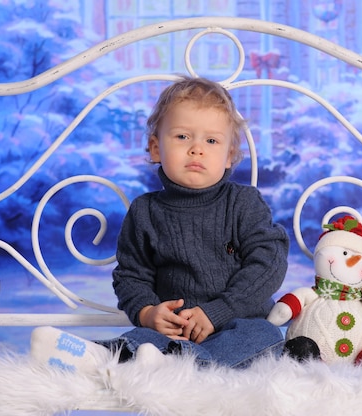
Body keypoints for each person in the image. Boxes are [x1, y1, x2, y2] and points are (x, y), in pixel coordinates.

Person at [30, 76, 289, 370]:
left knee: (264, 336)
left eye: (212, 140)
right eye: (182, 137)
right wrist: (148, 313)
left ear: (229, 155)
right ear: (155, 148)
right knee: (142, 338)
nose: (196, 149)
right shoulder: (146, 212)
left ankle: (180, 366)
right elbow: (131, 276)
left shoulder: (244, 203)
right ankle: (95, 357)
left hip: (234, 324)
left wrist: (217, 312)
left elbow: (268, 265)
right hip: (172, 333)